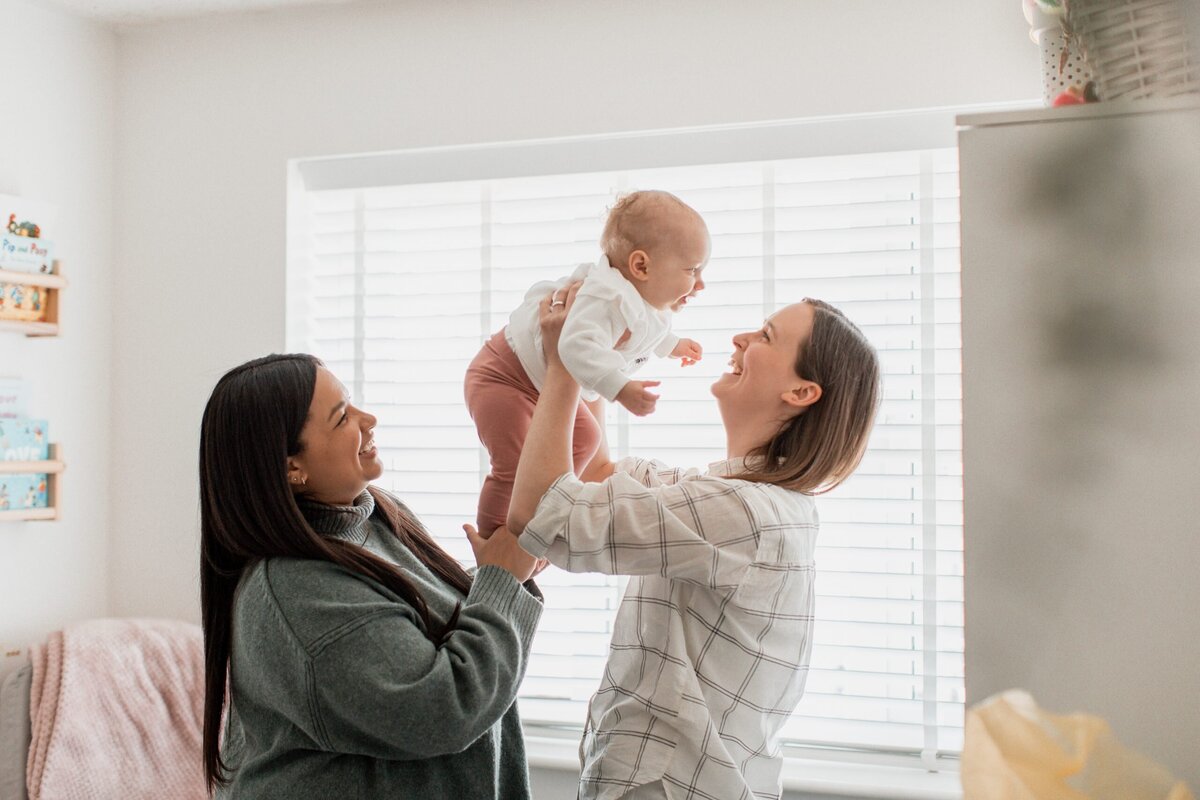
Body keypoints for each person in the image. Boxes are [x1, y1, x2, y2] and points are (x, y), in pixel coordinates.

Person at [505, 289, 882, 800]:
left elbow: (541, 514)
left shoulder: (742, 515)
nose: (741, 338)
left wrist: (563, 367)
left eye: (765, 336)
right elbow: (597, 472)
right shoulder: (744, 503)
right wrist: (594, 345)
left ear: (801, 392)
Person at [199, 353, 545, 799]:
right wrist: (501, 581)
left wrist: (505, 570)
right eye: (342, 417)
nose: (369, 419)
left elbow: (415, 621)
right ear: (291, 468)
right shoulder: (296, 592)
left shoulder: (375, 517)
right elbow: (441, 708)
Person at [464, 190, 709, 537]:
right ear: (641, 266)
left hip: (536, 383)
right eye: (692, 270)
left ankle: (545, 517)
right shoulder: (605, 296)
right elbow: (575, 346)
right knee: (513, 464)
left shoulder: (643, 301)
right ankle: (496, 536)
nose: (700, 284)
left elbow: (648, 330)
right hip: (502, 376)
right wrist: (620, 388)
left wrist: (674, 346)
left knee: (584, 439)